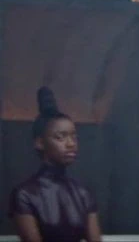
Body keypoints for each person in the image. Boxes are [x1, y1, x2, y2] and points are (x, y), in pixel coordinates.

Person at [8, 87, 103, 242]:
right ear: (40, 143)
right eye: (60, 137)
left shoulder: (83, 194)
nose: (71, 144)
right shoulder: (24, 195)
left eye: (74, 137)